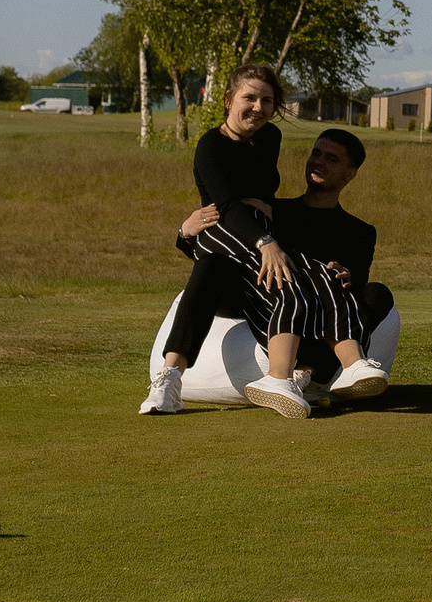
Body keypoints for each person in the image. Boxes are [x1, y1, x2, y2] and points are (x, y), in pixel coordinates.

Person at [140, 68, 383, 420]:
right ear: (228, 100)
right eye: (249, 98)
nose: (258, 107)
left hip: (253, 239)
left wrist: (262, 216)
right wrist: (258, 239)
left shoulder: (270, 137)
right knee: (281, 273)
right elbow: (225, 206)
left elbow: (259, 189)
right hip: (227, 232)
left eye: (266, 100)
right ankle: (171, 378)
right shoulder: (210, 145)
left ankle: (337, 368)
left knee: (313, 277)